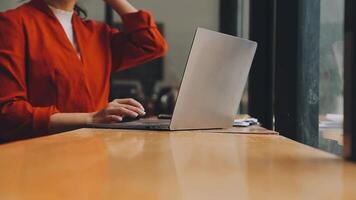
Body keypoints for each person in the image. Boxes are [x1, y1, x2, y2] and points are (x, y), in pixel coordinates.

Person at [0, 0, 168, 141]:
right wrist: (92, 118)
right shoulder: (13, 23)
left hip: (93, 161)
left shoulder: (97, 33)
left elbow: (152, 45)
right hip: (38, 160)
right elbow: (8, 112)